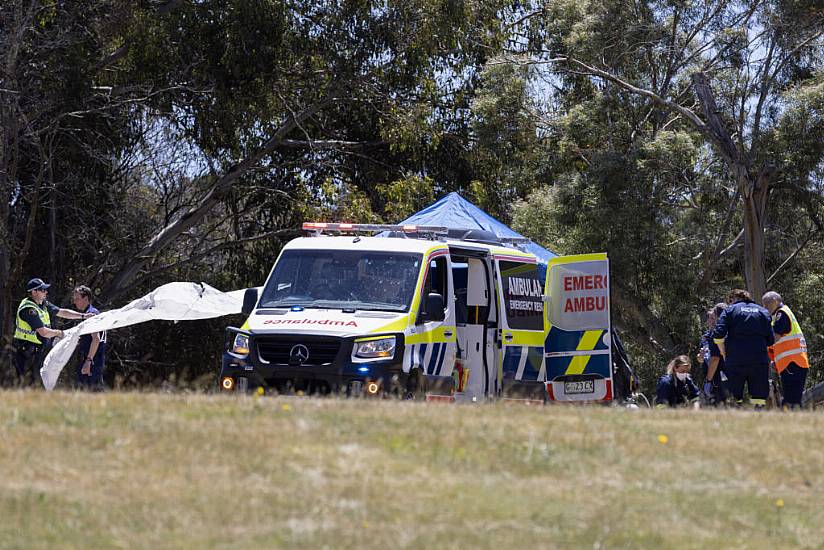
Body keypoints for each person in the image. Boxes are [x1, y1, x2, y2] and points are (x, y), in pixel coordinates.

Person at [12, 278, 93, 387]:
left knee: (35, 383)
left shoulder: (42, 304)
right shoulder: (29, 309)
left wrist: (83, 316)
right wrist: (59, 333)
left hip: (35, 351)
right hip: (25, 352)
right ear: (34, 292)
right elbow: (43, 332)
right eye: (43, 290)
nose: (46, 292)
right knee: (27, 384)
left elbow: (62, 312)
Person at [712, 289, 774, 409]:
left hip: (735, 359)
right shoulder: (763, 311)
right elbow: (771, 340)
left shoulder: (730, 310)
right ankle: (759, 421)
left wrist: (723, 352)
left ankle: (736, 422)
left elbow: (718, 334)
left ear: (733, 299)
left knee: (734, 398)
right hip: (758, 360)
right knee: (759, 398)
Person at [762, 291, 809, 410]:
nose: (765, 307)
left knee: (791, 399)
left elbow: (775, 337)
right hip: (793, 363)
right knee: (793, 399)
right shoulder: (781, 314)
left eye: (766, 304)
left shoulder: (781, 314)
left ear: (775, 301)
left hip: (792, 363)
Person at [71, 285, 107, 391]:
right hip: (90, 359)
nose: (75, 302)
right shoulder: (87, 314)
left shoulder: (92, 314)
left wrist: (88, 361)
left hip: (92, 361)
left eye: (77, 299)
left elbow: (96, 339)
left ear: (86, 299)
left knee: (91, 392)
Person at [699, 302, 729, 406]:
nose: (711, 321)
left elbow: (715, 358)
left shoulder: (719, 334)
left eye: (713, 318)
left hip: (721, 374)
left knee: (722, 403)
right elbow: (702, 358)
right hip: (711, 374)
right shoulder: (705, 337)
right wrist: (700, 358)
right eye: (709, 318)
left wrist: (708, 380)